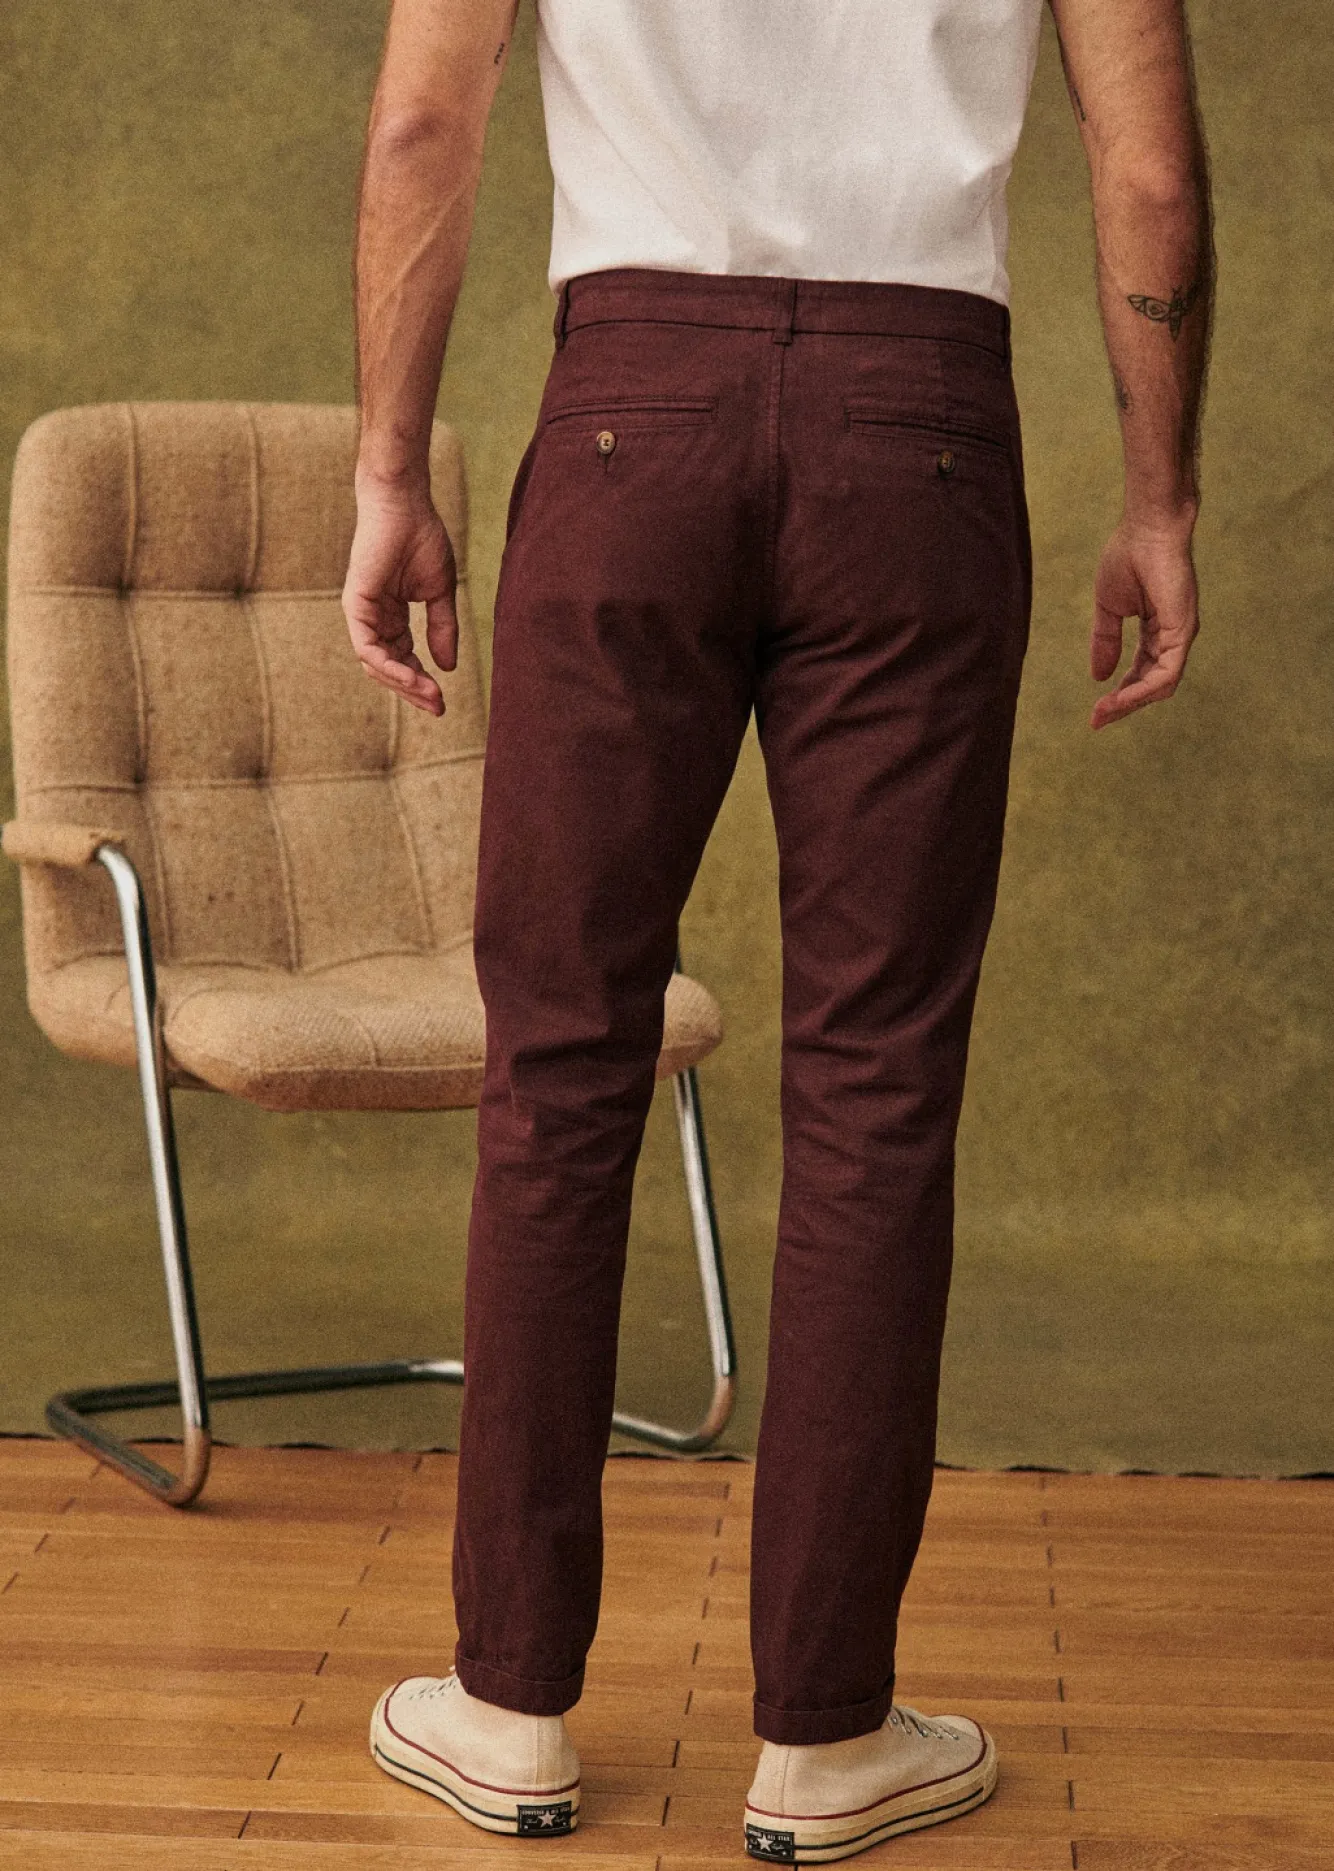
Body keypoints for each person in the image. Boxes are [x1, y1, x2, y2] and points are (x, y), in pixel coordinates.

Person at [342, 0, 1212, 1859]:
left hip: (625, 420)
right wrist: (1159, 496)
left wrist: (388, 474)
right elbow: (1146, 174)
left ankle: (508, 1705)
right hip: (922, 435)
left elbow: (423, 127)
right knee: (876, 1093)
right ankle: (827, 1736)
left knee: (557, 1066)